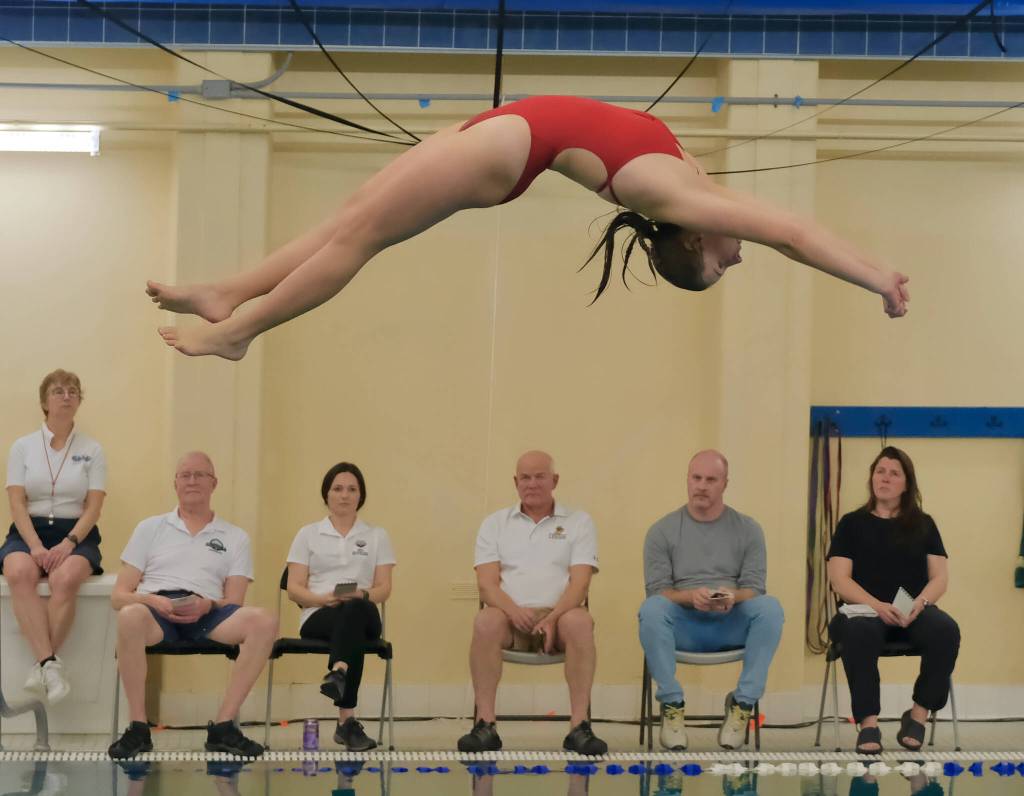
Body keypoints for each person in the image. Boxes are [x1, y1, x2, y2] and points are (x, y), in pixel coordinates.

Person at [145, 95, 909, 361]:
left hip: (509, 151)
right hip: (506, 130)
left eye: (718, 267)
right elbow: (784, 231)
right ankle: (227, 293)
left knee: (360, 239)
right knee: (350, 218)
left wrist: (875, 277)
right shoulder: (691, 184)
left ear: (692, 241)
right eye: (727, 265)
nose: (736, 260)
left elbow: (794, 234)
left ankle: (241, 330)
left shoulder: (680, 201)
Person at [107, 451, 278, 759]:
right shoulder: (150, 528)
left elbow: (235, 601)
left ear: (214, 483)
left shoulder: (235, 536)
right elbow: (119, 595)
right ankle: (137, 728)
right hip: (156, 611)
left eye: (200, 475)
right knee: (129, 615)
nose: (192, 481)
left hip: (208, 613)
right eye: (185, 475)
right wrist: (152, 600)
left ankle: (224, 726)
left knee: (264, 620)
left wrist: (207, 604)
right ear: (175, 484)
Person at [457, 450, 606, 755]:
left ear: (555, 480)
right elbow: (486, 584)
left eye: (540, 476)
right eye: (525, 477)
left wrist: (552, 618)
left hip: (561, 617)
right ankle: (485, 725)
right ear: (515, 482)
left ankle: (580, 727)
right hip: (510, 616)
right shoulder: (494, 523)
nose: (532, 483)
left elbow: (580, 584)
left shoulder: (579, 522)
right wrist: (513, 612)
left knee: (580, 621)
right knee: (485, 620)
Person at [638, 450, 784, 751]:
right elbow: (658, 590)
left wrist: (732, 596)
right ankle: (672, 706)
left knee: (770, 609)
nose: (702, 486)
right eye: (696, 478)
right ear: (687, 480)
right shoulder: (661, 531)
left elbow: (755, 588)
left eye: (711, 480)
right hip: (684, 626)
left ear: (725, 484)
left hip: (730, 622)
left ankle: (742, 705)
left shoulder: (748, 529)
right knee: (651, 609)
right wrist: (690, 597)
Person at [826, 446, 959, 755]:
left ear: (906, 484)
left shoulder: (924, 524)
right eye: (880, 471)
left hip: (910, 612)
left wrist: (921, 604)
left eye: (893, 473)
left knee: (945, 630)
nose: (884, 478)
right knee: (859, 633)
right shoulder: (851, 523)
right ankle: (868, 724)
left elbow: (939, 577)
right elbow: (839, 579)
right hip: (863, 612)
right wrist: (876, 605)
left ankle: (917, 716)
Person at [1, 369, 107, 704]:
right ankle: (50, 665)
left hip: (75, 533)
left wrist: (69, 543)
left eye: (73, 391)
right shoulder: (23, 447)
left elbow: (93, 507)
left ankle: (41, 665)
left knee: (64, 578)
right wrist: (33, 545)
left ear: (79, 401)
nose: (66, 396)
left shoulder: (92, 449)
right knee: (18, 572)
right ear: (45, 402)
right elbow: (16, 501)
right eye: (59, 391)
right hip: (29, 529)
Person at [286, 461, 396, 751]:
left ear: (361, 496)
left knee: (354, 610)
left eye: (352, 489)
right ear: (327, 494)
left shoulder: (376, 535)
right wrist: (324, 599)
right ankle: (346, 720)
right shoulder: (307, 534)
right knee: (350, 627)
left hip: (365, 609)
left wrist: (361, 594)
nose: (344, 495)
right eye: (337, 488)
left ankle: (339, 673)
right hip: (319, 614)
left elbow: (384, 588)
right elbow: (295, 589)